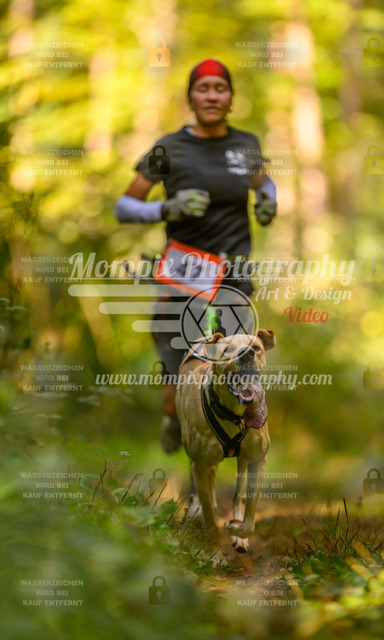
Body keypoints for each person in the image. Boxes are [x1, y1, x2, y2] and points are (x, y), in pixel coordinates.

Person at [115, 59, 277, 453]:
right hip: (183, 275)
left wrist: (268, 200)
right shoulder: (169, 148)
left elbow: (264, 183)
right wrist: (166, 208)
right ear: (190, 98)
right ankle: (173, 418)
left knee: (238, 380)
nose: (212, 96)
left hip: (233, 275)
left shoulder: (246, 145)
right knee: (178, 388)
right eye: (203, 88)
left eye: (220, 88)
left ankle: (212, 467)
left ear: (231, 98)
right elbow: (124, 206)